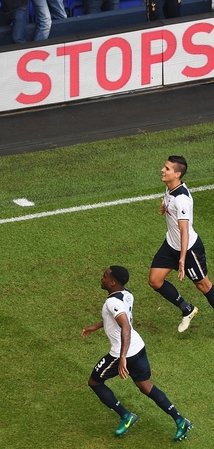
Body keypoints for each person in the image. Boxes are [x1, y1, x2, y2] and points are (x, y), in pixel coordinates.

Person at [82, 266, 192, 441]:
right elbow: (116, 318)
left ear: (112, 282)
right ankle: (180, 420)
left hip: (121, 354)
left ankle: (126, 416)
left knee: (95, 382)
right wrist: (95, 327)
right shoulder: (126, 293)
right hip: (138, 347)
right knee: (146, 387)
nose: (101, 278)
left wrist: (123, 357)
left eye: (104, 276)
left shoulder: (112, 302)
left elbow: (125, 326)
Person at [148, 156, 214, 333]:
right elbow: (169, 202)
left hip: (189, 249)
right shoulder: (170, 188)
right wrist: (164, 206)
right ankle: (187, 309)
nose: (163, 170)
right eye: (164, 167)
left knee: (204, 286)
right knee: (155, 281)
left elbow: (184, 230)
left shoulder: (181, 199)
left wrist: (182, 259)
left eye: (167, 169)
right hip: (171, 245)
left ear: (177, 174)